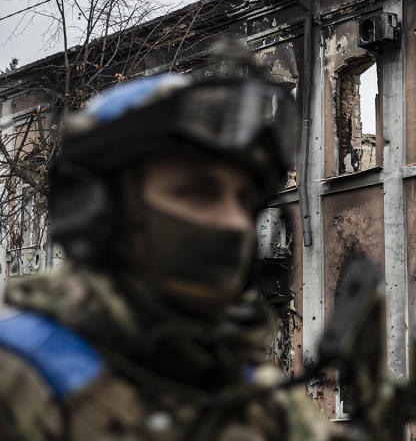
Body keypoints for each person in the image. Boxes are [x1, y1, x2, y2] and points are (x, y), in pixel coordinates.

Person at [0, 56, 331, 440]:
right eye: (197, 191)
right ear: (98, 207)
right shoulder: (17, 375)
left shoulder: (254, 393)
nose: (234, 222)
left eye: (244, 199)